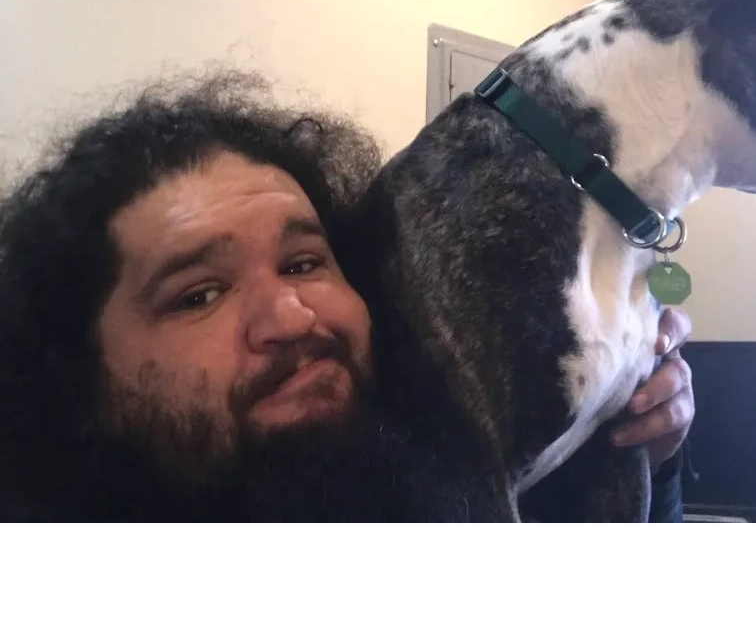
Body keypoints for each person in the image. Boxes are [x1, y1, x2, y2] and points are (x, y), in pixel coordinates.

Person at [0, 74, 693, 524]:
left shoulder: (423, 478)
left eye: (303, 262)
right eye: (199, 295)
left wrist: (650, 462)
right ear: (76, 378)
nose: (291, 317)